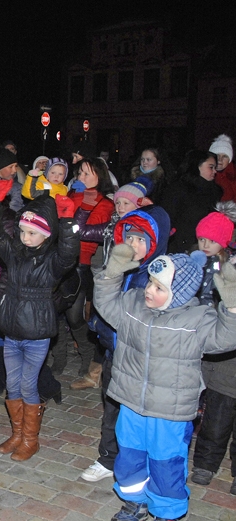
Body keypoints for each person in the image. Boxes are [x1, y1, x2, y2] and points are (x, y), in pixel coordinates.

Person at [94, 244, 236, 521]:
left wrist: (232, 307)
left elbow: (226, 337)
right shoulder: (133, 305)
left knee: (166, 464)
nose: (149, 290)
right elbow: (106, 304)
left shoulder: (197, 320)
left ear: (179, 294)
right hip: (132, 402)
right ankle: (134, 501)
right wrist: (110, 275)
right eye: (150, 282)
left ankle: (166, 511)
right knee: (130, 457)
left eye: (160, 288)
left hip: (169, 412)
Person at [0, 177, 79, 461]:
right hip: (12, 331)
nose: (25, 237)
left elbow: (69, 252)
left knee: (28, 385)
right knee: (12, 385)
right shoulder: (14, 254)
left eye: (32, 233)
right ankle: (17, 434)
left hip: (37, 334)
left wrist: (67, 221)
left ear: (47, 235)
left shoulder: (52, 262)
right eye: (23, 231)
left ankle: (30, 440)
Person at [79, 201, 171, 484]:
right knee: (112, 407)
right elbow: (106, 302)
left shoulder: (158, 275)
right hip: (114, 352)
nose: (132, 244)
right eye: (128, 237)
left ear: (155, 242)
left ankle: (141, 462)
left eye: (140, 240)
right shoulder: (120, 266)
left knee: (138, 415)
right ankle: (107, 457)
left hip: (142, 359)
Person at [190, 202, 236, 493]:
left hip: (228, 342)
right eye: (201, 239)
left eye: (211, 240)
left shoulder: (230, 268)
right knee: (217, 412)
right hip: (211, 343)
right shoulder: (195, 262)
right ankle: (205, 464)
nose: (204, 245)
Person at [67, 157, 115, 391]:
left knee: (76, 316)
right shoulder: (71, 196)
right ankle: (59, 359)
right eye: (80, 174)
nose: (81, 178)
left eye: (87, 174)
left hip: (81, 263)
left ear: (100, 177)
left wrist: (83, 205)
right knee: (56, 313)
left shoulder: (105, 203)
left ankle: (88, 357)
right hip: (60, 259)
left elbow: (85, 233)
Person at [163, 150, 223, 254]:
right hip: (180, 246)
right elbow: (168, 217)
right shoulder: (178, 189)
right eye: (211, 167)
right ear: (197, 166)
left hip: (207, 247)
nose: (215, 171)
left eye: (215, 167)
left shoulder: (214, 191)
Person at [210, 134, 236, 202]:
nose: (220, 159)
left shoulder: (233, 177)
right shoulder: (204, 175)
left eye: (224, 156)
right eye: (217, 155)